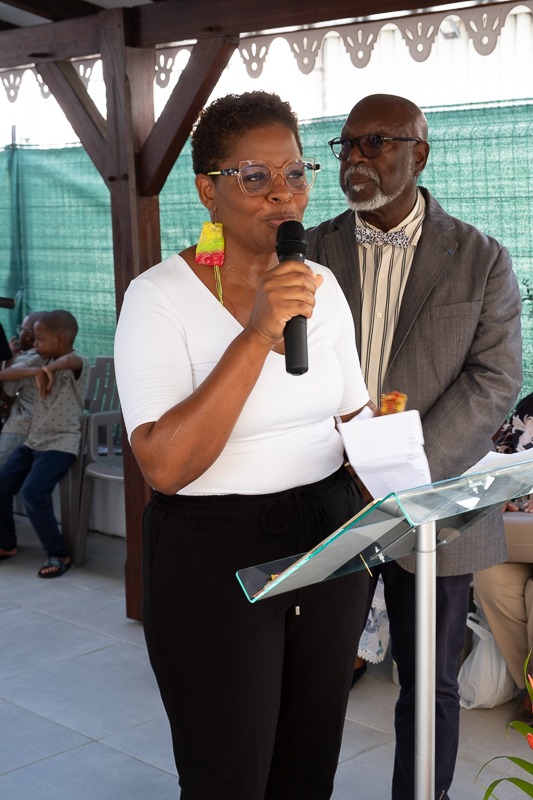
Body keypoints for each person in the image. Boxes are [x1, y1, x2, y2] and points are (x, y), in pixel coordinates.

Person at [114, 90, 375, 800]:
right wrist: (258, 333)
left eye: (294, 172)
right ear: (209, 190)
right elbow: (164, 464)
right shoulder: (158, 297)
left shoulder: (321, 285)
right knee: (228, 775)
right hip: (214, 551)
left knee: (307, 766)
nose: (283, 194)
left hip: (327, 536)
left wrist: (411, 487)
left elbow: (352, 416)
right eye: (255, 177)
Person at [306, 93, 522, 800]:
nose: (355, 157)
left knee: (429, 683)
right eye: (346, 144)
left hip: (434, 503)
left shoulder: (481, 257)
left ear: (418, 153)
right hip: (323, 494)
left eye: (375, 142)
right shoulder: (309, 251)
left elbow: (495, 379)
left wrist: (404, 467)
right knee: (311, 675)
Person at [0, 309, 90, 576]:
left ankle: (58, 553)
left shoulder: (78, 363)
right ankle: (6, 544)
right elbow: (5, 375)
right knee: (1, 485)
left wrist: (49, 369)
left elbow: (72, 360)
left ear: (60, 339)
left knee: (33, 492)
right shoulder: (38, 359)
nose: (34, 343)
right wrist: (38, 369)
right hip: (34, 441)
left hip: (61, 443)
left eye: (40, 338)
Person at [474, 392, 533, 722]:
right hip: (520, 533)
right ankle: (530, 687)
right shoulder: (528, 408)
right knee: (490, 579)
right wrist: (499, 497)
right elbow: (497, 463)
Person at [0, 312, 44, 468]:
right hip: (45, 427)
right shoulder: (55, 357)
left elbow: (6, 395)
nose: (19, 334)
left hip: (20, 427)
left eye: (22, 329)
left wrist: (12, 359)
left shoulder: (26, 361)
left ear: (30, 336)